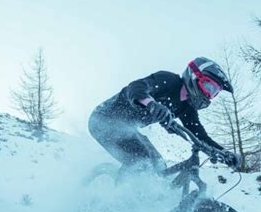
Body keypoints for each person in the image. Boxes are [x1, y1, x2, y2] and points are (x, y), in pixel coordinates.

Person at [88, 57, 241, 177]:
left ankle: (139, 200)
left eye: (214, 92)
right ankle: (115, 204)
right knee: (142, 161)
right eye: (208, 86)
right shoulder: (169, 80)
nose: (209, 94)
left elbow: (199, 135)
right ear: (194, 76)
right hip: (103, 120)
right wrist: (151, 103)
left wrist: (222, 153)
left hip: (127, 131)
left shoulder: (186, 107)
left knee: (158, 164)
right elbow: (135, 87)